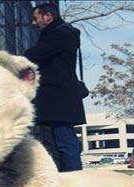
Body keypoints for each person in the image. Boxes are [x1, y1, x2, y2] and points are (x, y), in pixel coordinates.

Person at [24, 3, 85, 172]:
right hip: (54, 100)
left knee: (64, 143)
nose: (33, 23)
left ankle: (74, 179)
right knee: (55, 144)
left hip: (59, 101)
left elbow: (35, 55)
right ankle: (63, 177)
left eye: (36, 18)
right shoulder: (59, 33)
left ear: (48, 16)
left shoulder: (61, 33)